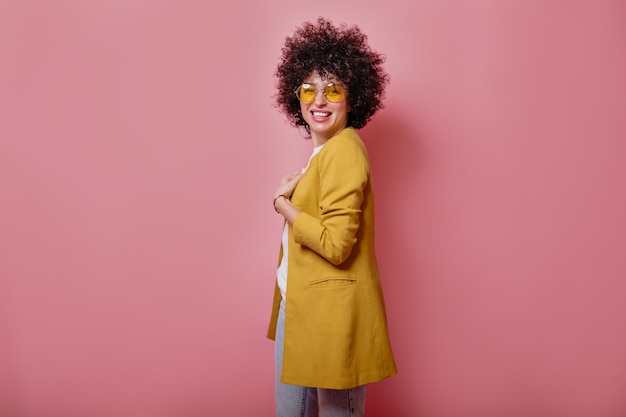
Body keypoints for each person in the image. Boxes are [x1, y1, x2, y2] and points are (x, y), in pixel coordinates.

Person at [267, 17, 397, 417]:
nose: (319, 100)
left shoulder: (343, 150)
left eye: (333, 89)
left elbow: (338, 245)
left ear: (352, 97)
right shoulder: (325, 154)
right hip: (305, 307)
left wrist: (284, 207)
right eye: (309, 88)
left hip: (332, 317)